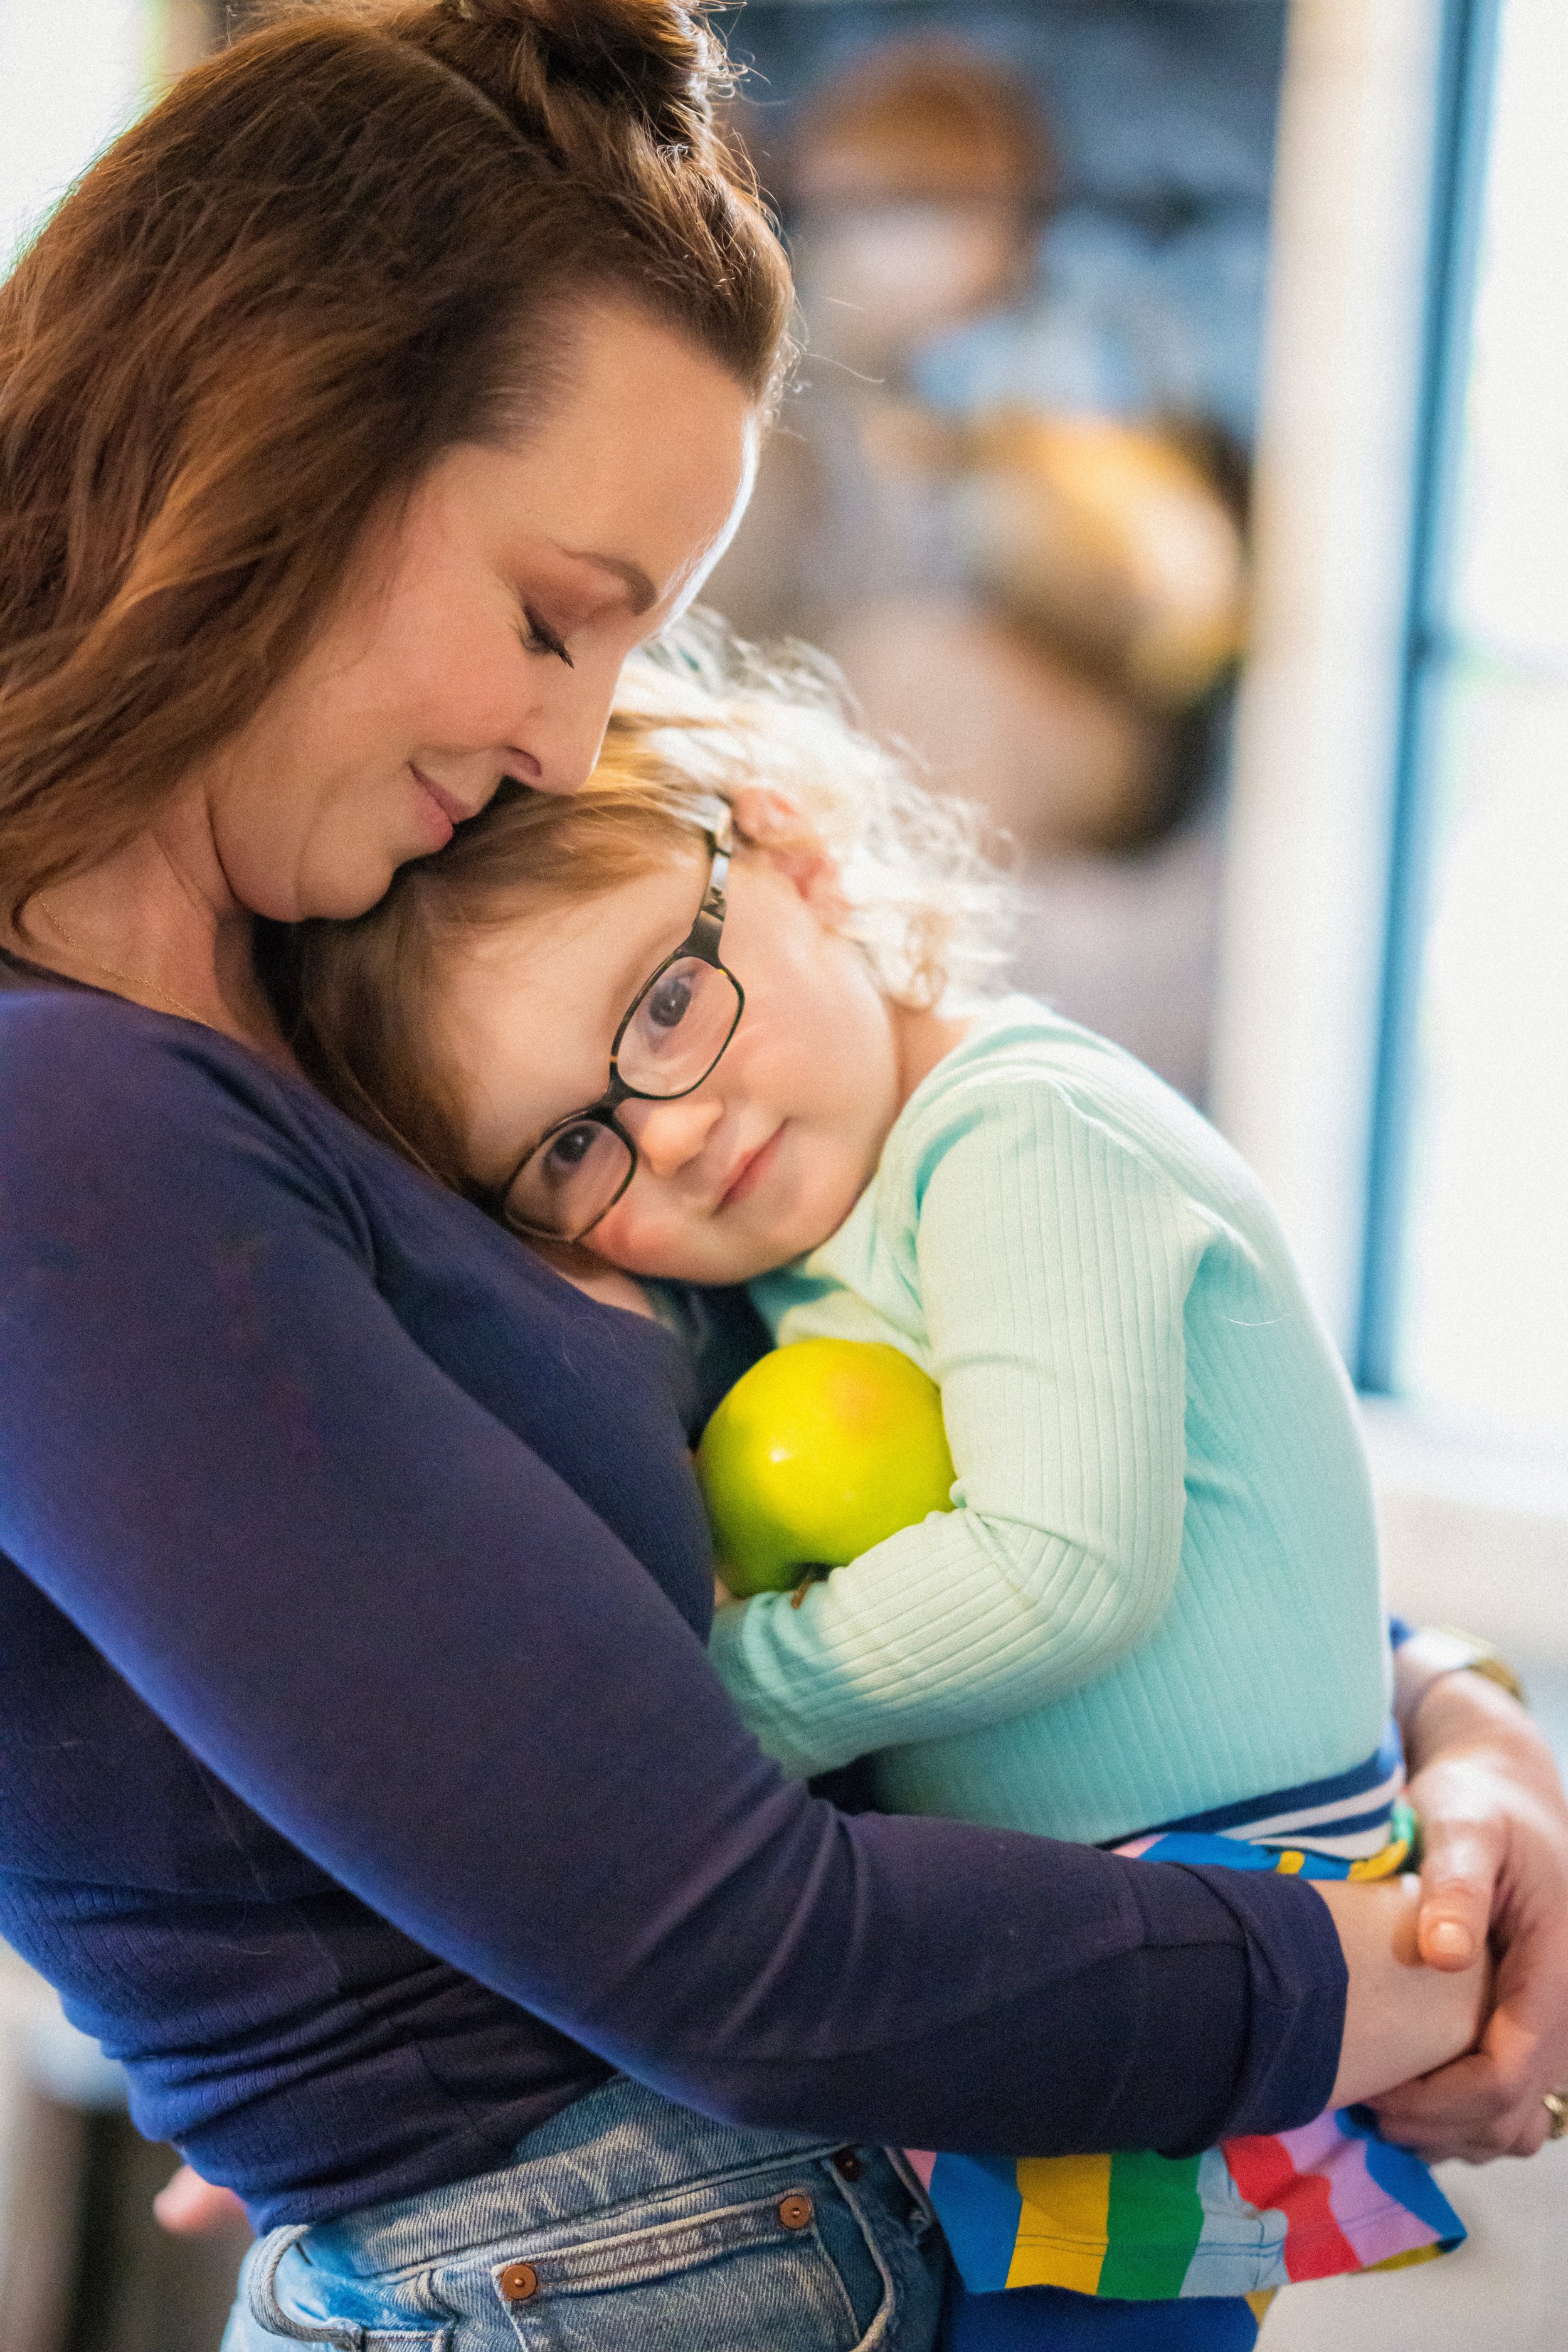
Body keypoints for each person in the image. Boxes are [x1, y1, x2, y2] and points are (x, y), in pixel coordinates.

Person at [0, 6, 1563, 2349]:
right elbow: (729, 1946)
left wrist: (1436, 1714)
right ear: (269, 457)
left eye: (622, 650)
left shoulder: (321, 992)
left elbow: (890, 1468)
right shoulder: (62, 1128)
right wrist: (1386, 1972)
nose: (561, 734)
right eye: (551, 612)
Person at [273, 627, 1490, 2346]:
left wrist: (706, 1716)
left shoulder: (1017, 1130)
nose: (672, 1129)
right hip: (1099, 1940)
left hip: (1216, 1918)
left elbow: (1058, 1568)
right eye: (567, 1146)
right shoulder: (817, 1238)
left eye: (671, 1003)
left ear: (792, 850)